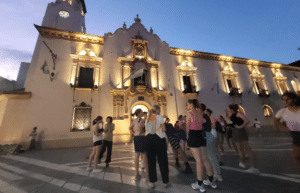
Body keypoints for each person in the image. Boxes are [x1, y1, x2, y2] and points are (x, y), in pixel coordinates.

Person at [186, 100, 217, 192]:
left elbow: (188, 128)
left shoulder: (189, 113)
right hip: (201, 135)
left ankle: (199, 184)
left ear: (191, 104)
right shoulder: (200, 113)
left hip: (193, 135)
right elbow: (202, 123)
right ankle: (211, 181)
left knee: (198, 161)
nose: (186, 106)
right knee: (205, 159)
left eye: (187, 104)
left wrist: (188, 138)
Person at [226, 104, 259, 173]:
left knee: (247, 149)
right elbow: (229, 118)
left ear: (232, 109)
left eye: (229, 108)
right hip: (235, 131)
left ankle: (254, 167)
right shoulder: (233, 115)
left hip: (240, 131)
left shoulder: (238, 114)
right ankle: (242, 162)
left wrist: (241, 126)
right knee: (240, 148)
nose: (228, 109)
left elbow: (247, 120)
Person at [145, 105, 171, 189]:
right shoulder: (158, 117)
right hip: (159, 139)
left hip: (149, 139)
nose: (160, 112)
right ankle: (165, 182)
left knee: (151, 161)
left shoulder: (148, 117)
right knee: (163, 160)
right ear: (156, 110)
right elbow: (163, 129)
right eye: (159, 110)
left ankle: (152, 182)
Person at [274, 91, 300, 165]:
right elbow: (275, 120)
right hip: (295, 134)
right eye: (283, 100)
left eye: (287, 99)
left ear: (294, 99)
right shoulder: (283, 111)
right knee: (297, 156)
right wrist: (286, 128)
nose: (285, 101)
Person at [201, 104, 223, 182]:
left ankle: (214, 175)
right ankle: (215, 174)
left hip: (208, 135)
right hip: (208, 136)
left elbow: (208, 127)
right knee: (210, 155)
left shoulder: (205, 117)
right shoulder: (204, 117)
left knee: (210, 156)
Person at [129, 109, 149, 181]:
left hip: (136, 138)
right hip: (141, 137)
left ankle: (137, 173)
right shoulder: (142, 120)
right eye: (141, 112)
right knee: (144, 155)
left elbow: (130, 127)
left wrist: (134, 133)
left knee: (137, 155)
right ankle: (147, 173)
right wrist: (140, 132)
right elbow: (142, 128)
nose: (142, 113)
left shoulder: (134, 120)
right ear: (139, 113)